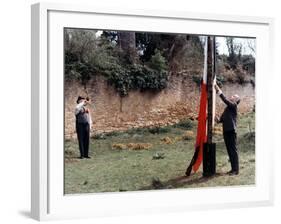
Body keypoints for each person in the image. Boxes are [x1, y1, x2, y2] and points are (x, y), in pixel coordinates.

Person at [215, 84, 240, 175]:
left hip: (231, 131)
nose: (232, 96)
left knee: (233, 150)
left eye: (234, 96)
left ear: (236, 100)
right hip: (226, 131)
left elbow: (225, 100)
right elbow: (222, 119)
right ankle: (233, 169)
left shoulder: (234, 105)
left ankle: (236, 170)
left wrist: (219, 91)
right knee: (229, 150)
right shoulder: (228, 108)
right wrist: (217, 119)